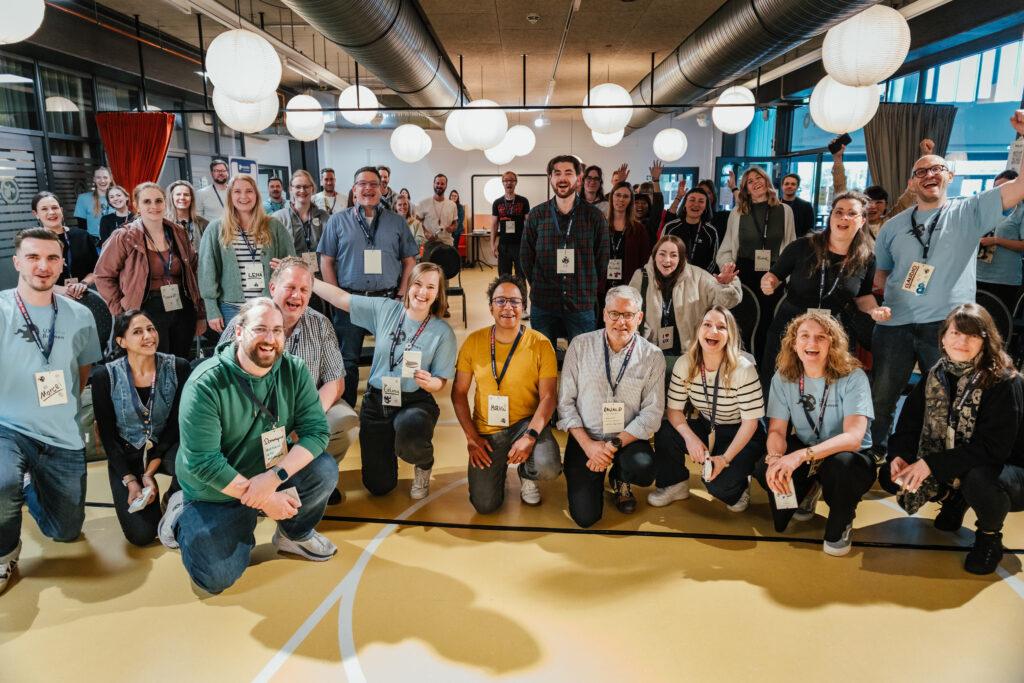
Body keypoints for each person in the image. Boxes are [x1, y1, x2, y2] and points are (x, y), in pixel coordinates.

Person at [870, 111, 1024, 458]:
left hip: (946, 327)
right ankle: (874, 454)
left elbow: (1020, 186)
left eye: (936, 168)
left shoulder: (970, 211)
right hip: (894, 323)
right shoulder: (893, 226)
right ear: (912, 183)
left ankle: (938, 460)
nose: (929, 175)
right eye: (920, 172)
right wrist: (876, 300)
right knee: (882, 396)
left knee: (948, 397)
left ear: (950, 176)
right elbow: (882, 274)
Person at [158, 297, 337, 595]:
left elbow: (316, 432)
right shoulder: (205, 383)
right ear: (239, 332)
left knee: (324, 470)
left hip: (265, 475)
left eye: (277, 331)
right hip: (214, 490)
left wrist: (274, 478)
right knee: (215, 577)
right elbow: (205, 463)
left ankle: (293, 535)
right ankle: (180, 512)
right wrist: (265, 500)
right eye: (260, 329)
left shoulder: (294, 370)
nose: (270, 339)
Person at [882, 304, 1024, 574]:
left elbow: (993, 450)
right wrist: (898, 457)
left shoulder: (1004, 381)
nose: (962, 341)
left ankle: (989, 538)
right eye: (956, 333)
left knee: (979, 479)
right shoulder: (935, 374)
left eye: (972, 336)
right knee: (891, 478)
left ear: (986, 340)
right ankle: (954, 497)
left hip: (1010, 472)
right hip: (960, 460)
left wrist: (930, 465)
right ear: (943, 338)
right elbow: (908, 427)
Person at [0, 228, 102, 595]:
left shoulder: (80, 315)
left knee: (66, 530)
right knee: (1, 484)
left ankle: (29, 484)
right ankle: (4, 554)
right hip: (7, 427)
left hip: (61, 431)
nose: (42, 266)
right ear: (17, 263)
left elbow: (83, 372)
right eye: (32, 257)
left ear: (62, 265)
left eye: (52, 258)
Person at [312, 263, 457, 499]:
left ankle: (423, 462)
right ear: (409, 285)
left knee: (410, 430)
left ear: (438, 293)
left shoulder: (442, 332)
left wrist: (431, 383)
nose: (422, 292)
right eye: (418, 284)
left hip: (414, 401)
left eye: (431, 287)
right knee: (378, 486)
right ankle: (386, 454)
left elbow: (442, 381)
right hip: (378, 400)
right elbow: (342, 298)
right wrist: (309, 280)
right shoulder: (386, 310)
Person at [223, 257, 356, 503]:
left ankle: (310, 481)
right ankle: (251, 484)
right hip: (253, 415)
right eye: (290, 287)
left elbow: (336, 380)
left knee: (344, 421)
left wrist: (309, 417)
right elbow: (222, 381)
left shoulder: (320, 323)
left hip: (302, 411)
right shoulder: (244, 323)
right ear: (272, 288)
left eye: (304, 290)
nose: (297, 296)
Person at [753, 312, 876, 556]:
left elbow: (853, 438)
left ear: (833, 343)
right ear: (794, 343)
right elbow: (777, 430)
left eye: (821, 337)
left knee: (840, 466)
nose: (812, 343)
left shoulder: (853, 376)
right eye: (805, 336)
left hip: (848, 456)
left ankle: (843, 517)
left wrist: (800, 457)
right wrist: (776, 459)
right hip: (808, 449)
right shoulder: (783, 377)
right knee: (763, 471)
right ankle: (809, 488)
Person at [452, 275, 560, 512]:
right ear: (490, 307)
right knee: (484, 505)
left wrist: (530, 437)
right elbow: (458, 393)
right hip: (488, 429)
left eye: (515, 301)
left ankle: (527, 473)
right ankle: (497, 468)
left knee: (547, 466)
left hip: (525, 424)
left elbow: (549, 397)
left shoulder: (541, 344)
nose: (508, 307)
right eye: (500, 301)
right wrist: (472, 438)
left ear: (524, 307)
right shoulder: (473, 342)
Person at [759, 192, 887, 390]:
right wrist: (769, 282)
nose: (844, 217)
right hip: (791, 326)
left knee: (828, 388)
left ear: (862, 221)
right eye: (839, 212)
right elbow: (774, 276)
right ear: (831, 216)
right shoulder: (802, 246)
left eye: (851, 213)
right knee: (780, 384)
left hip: (834, 332)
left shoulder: (866, 258)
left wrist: (874, 310)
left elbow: (863, 296)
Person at [558, 286, 664, 524]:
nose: (621, 322)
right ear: (604, 314)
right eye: (614, 314)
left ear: (639, 317)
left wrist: (612, 446)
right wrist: (589, 446)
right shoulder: (580, 346)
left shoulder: (652, 356)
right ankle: (599, 473)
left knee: (643, 468)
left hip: (626, 439)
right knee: (586, 517)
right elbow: (565, 404)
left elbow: (652, 413)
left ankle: (621, 476)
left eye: (628, 315)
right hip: (587, 439)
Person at [318, 166, 418, 407]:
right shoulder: (337, 221)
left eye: (374, 184)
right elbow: (326, 261)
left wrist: (402, 294)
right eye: (362, 184)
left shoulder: (396, 222)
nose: (368, 188)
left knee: (392, 356)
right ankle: (348, 408)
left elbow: (410, 261)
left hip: (388, 301)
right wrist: (336, 296)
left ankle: (387, 408)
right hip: (351, 301)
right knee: (348, 359)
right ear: (354, 190)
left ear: (382, 189)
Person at [651, 306, 765, 511]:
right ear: (698, 331)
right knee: (666, 431)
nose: (713, 331)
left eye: (721, 327)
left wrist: (724, 459)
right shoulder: (685, 363)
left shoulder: (743, 368)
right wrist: (690, 437)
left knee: (717, 485)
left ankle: (740, 484)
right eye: (707, 325)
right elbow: (674, 411)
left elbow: (750, 423)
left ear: (730, 335)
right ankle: (675, 484)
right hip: (709, 425)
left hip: (742, 431)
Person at [91, 310, 190, 545]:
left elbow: (177, 424)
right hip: (126, 453)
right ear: (121, 341)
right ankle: (149, 498)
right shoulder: (104, 376)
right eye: (137, 332)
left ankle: (174, 496)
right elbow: (107, 435)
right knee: (142, 536)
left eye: (151, 329)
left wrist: (149, 472)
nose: (148, 336)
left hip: (165, 447)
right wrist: (131, 479)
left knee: (191, 460)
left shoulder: (178, 367)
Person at [94, 182, 206, 358]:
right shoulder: (124, 236)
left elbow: (193, 270)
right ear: (136, 205)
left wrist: (200, 312)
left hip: (182, 307)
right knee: (154, 364)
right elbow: (102, 275)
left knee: (180, 362)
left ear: (165, 203)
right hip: (146, 309)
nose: (154, 206)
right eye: (147, 202)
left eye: (158, 201)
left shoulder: (178, 232)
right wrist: (122, 311)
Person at [521, 155, 610, 346]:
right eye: (557, 173)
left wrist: (586, 284)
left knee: (583, 361)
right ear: (550, 178)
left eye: (568, 173)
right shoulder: (537, 215)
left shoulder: (595, 217)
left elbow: (602, 260)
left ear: (578, 178)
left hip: (581, 302)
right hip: (544, 301)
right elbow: (526, 256)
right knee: (541, 360)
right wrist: (537, 282)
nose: (562, 178)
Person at [199, 174, 295, 335]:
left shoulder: (274, 226)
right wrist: (211, 308)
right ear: (230, 196)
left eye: (249, 191)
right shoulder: (216, 228)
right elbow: (206, 271)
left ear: (256, 195)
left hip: (269, 307)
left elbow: (292, 263)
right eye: (237, 191)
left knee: (268, 354)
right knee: (235, 357)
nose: (243, 196)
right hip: (231, 309)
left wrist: (283, 268)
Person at [717, 166, 796, 356]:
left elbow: (791, 246)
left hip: (774, 274)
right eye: (750, 181)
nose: (755, 182)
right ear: (745, 189)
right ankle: (745, 368)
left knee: (771, 324)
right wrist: (727, 270)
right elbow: (727, 248)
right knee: (745, 323)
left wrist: (789, 278)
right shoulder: (737, 213)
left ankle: (768, 368)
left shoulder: (785, 210)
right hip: (746, 274)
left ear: (766, 180)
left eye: (758, 177)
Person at [629, 235, 740, 368]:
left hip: (689, 357)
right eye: (662, 254)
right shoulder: (641, 276)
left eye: (674, 255)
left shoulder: (699, 277)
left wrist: (724, 286)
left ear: (681, 258)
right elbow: (628, 314)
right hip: (649, 356)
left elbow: (727, 303)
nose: (667, 260)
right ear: (654, 256)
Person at [831, 139, 925, 238]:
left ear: (886, 206)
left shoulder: (889, 221)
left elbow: (910, 195)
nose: (873, 206)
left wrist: (925, 155)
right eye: (869, 202)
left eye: (879, 202)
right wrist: (838, 158)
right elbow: (840, 188)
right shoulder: (852, 221)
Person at [31, 191, 97, 301]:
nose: (51, 212)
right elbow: (31, 278)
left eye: (54, 207)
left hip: (84, 296)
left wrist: (82, 284)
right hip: (51, 299)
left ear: (61, 210)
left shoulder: (82, 236)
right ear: (36, 214)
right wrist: (62, 290)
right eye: (44, 209)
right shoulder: (33, 242)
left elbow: (96, 270)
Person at [977, 169, 1024, 314]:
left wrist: (997, 240)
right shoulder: (987, 210)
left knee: (997, 325)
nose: (999, 192)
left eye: (1003, 187)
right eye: (996, 188)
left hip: (1004, 279)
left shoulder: (1021, 211)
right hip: (978, 274)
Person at [272, 170, 330, 267]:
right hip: (291, 276)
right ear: (291, 189)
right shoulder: (278, 218)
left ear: (312, 188)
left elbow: (331, 251)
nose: (302, 190)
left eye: (306, 186)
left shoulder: (324, 217)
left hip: (319, 277)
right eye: (298, 187)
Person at [604, 181, 651, 295]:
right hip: (602, 287)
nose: (621, 199)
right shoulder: (601, 225)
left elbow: (645, 261)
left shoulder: (639, 229)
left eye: (626, 196)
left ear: (631, 200)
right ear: (612, 197)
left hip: (629, 287)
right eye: (618, 195)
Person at [489, 171, 530, 276]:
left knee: (521, 277)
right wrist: (492, 245)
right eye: (506, 180)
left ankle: (521, 293)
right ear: (502, 183)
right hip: (503, 246)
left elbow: (529, 224)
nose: (509, 183)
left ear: (516, 183)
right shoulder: (497, 202)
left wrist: (530, 244)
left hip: (520, 245)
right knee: (504, 277)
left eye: (511, 180)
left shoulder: (523, 201)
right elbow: (494, 225)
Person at [416, 173, 457, 256]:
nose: (439, 186)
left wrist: (452, 227)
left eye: (442, 184)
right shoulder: (423, 203)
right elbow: (417, 221)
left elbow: (455, 223)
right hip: (429, 245)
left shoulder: (452, 205)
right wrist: (426, 232)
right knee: (430, 269)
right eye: (437, 183)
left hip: (447, 244)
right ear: (433, 184)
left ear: (446, 185)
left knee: (447, 268)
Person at [166, 180, 209, 254]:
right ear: (172, 198)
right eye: (178, 194)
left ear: (191, 198)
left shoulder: (204, 224)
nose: (182, 197)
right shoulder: (163, 224)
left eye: (186, 194)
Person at [73, 166, 114, 237]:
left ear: (110, 179)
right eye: (98, 177)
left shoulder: (117, 198)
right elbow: (82, 227)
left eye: (105, 177)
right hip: (94, 243)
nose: (102, 181)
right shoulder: (83, 198)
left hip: (115, 241)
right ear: (94, 179)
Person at [779, 173, 816, 237]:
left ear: (797, 187)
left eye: (793, 184)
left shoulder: (806, 206)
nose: (789, 186)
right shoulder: (773, 204)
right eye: (786, 184)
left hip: (798, 242)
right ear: (782, 186)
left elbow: (809, 230)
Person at [449, 189, 466, 254]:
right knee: (447, 248)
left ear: (457, 197)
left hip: (456, 230)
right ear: (450, 196)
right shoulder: (446, 206)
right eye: (452, 195)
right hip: (448, 230)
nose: (453, 197)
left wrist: (453, 227)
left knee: (454, 247)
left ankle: (454, 263)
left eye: (455, 196)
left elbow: (461, 219)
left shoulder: (460, 207)